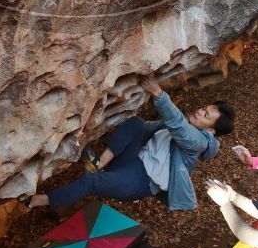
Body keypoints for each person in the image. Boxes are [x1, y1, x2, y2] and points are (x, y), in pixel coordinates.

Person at [26, 75, 234, 211]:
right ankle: (99, 163)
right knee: (137, 123)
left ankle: (41, 201)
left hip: (141, 181)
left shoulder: (199, 142)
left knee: (92, 182)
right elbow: (149, 127)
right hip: (133, 161)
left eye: (205, 115)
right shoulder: (185, 128)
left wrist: (159, 94)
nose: (199, 111)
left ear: (210, 130)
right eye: (204, 108)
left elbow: (179, 126)